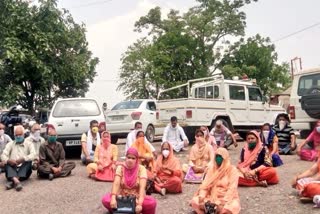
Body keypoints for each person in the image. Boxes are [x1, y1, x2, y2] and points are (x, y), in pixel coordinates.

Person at [101, 148, 157, 214]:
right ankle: (123, 209)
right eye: (128, 157)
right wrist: (113, 198)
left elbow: (142, 187)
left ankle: (123, 209)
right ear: (126, 158)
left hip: (137, 198)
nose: (130, 160)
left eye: (133, 158)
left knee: (152, 202)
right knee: (105, 199)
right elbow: (116, 183)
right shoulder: (121, 167)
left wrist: (139, 204)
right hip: (122, 197)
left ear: (137, 160)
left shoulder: (141, 169)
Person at [191, 148, 241, 214]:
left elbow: (232, 188)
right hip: (211, 197)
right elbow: (205, 186)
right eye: (216, 156)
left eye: (220, 156)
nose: (218, 158)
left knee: (233, 206)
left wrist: (222, 203)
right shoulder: (211, 169)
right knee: (195, 201)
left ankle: (212, 210)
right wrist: (201, 199)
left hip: (226, 198)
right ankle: (210, 209)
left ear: (225, 158)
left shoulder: (232, 170)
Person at [1, 125, 36, 191]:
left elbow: (33, 154)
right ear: (14, 135)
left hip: (24, 172)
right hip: (12, 168)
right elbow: (3, 155)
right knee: (6, 162)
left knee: (28, 161)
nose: (18, 136)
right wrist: (9, 160)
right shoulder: (10, 144)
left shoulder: (29, 144)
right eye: (16, 135)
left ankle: (13, 181)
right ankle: (17, 181)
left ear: (23, 135)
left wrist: (23, 159)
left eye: (20, 134)